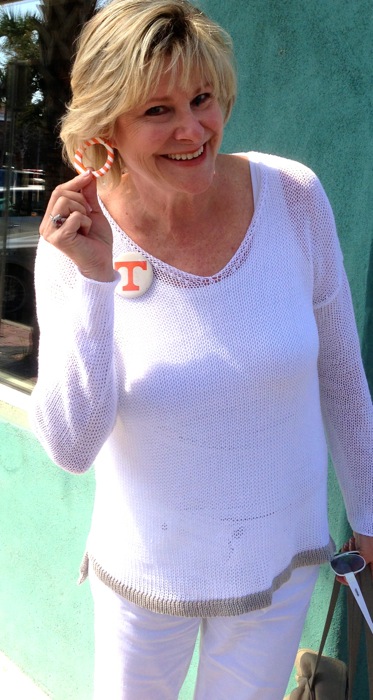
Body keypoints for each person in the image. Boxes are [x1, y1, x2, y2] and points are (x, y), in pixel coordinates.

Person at [30, 1, 373, 698]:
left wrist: (368, 518)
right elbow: (71, 446)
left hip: (279, 568)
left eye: (202, 98)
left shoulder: (293, 196)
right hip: (144, 581)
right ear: (106, 129)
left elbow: (340, 374)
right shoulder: (77, 239)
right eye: (157, 110)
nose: (192, 129)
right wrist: (97, 281)